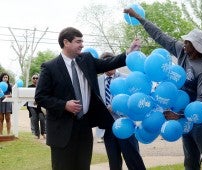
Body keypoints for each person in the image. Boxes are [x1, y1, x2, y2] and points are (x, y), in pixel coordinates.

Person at [124, 8, 202, 170]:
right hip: (181, 117)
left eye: (187, 42)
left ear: (196, 46)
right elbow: (160, 35)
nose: (183, 43)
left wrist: (180, 114)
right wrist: (139, 17)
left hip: (199, 121)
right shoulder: (182, 52)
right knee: (190, 161)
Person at [35, 27, 141, 170]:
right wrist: (64, 105)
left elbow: (110, 63)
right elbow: (40, 97)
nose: (82, 45)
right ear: (66, 42)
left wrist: (129, 52)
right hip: (62, 130)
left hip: (84, 126)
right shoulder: (49, 67)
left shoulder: (87, 59)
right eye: (78, 41)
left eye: (82, 41)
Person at [98, 52, 146, 170]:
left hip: (126, 125)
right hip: (107, 128)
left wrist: (117, 106)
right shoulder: (96, 82)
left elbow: (135, 101)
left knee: (133, 159)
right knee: (114, 162)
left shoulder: (127, 79)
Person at [27, 74, 46, 139]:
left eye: (37, 78)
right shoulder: (29, 87)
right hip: (31, 105)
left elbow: (43, 95)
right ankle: (36, 134)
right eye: (34, 78)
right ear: (32, 79)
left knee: (42, 119)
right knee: (34, 118)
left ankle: (43, 133)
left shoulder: (42, 86)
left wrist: (37, 101)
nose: (35, 79)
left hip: (40, 106)